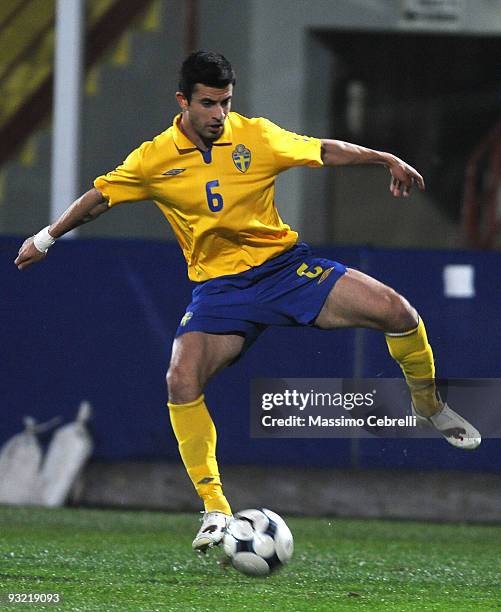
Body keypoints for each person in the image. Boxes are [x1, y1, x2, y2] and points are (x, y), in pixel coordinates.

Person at [15, 51, 481, 552]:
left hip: (285, 270)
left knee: (400, 313)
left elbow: (322, 150)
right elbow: (100, 198)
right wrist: (46, 237)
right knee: (180, 378)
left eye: (226, 102)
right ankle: (215, 509)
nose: (219, 114)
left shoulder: (255, 136)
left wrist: (384, 158)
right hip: (222, 293)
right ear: (184, 102)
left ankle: (428, 405)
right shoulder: (154, 158)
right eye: (209, 104)